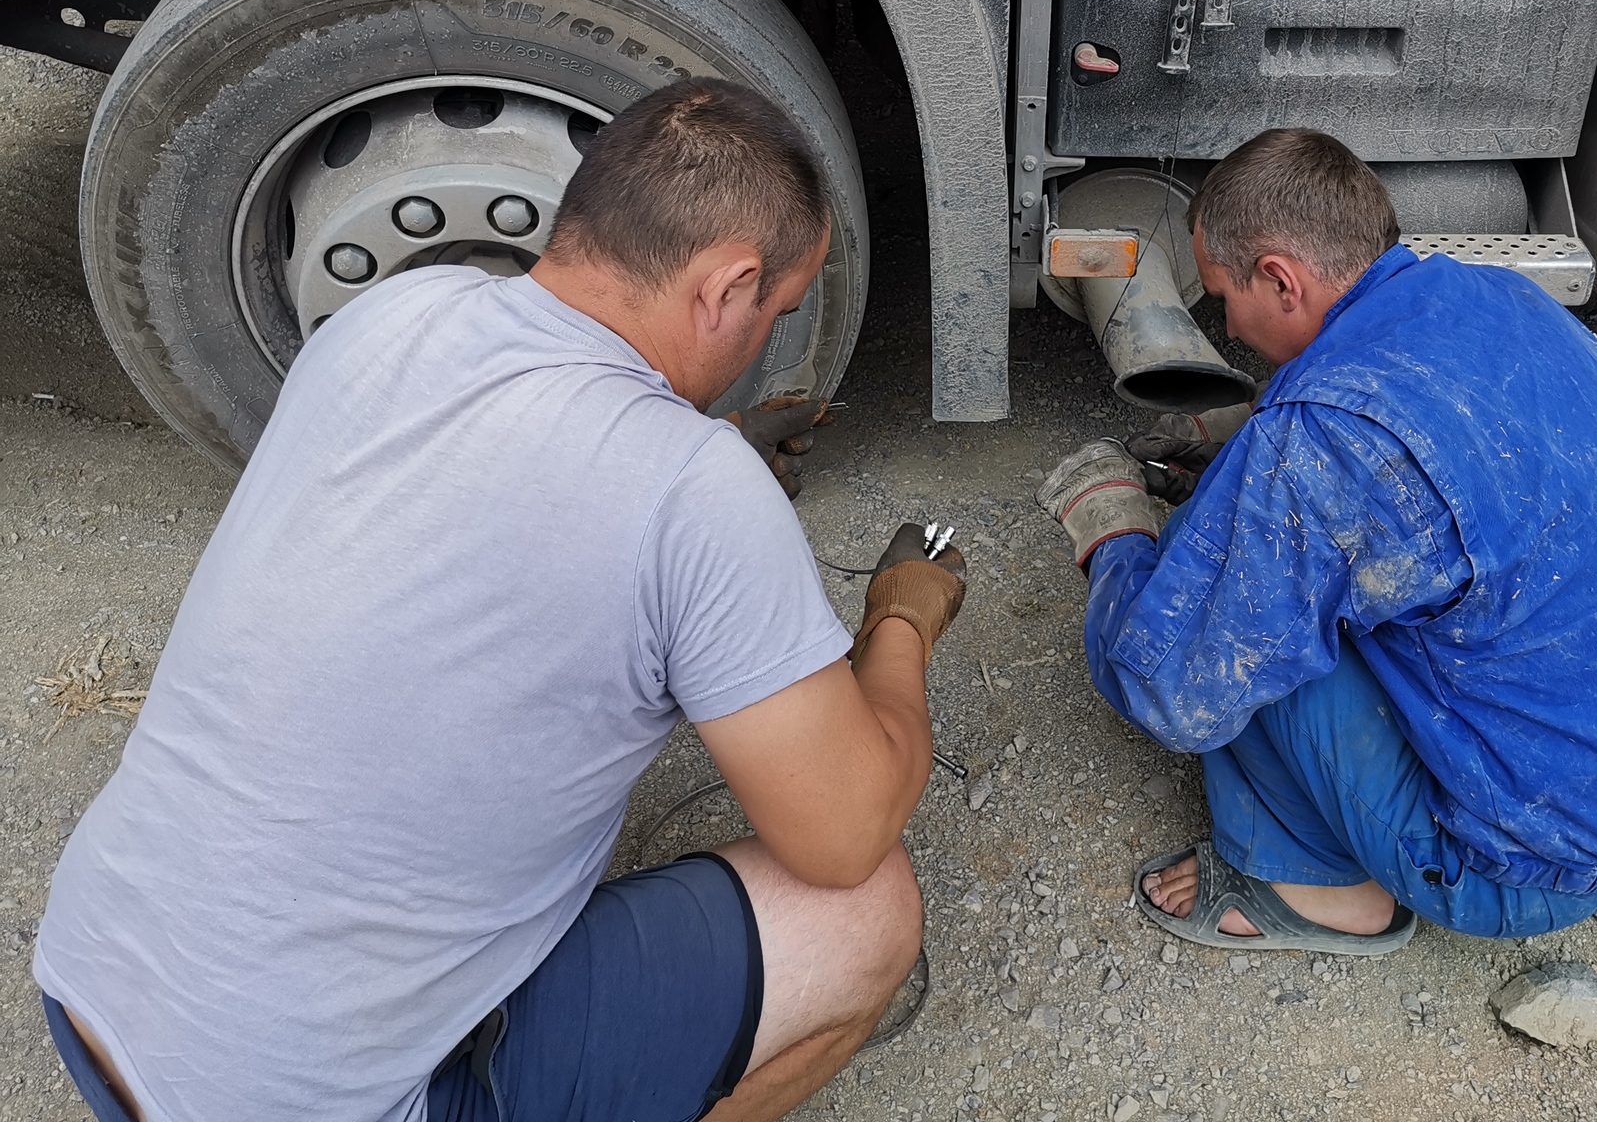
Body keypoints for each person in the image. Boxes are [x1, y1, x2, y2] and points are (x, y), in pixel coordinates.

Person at [36, 78, 967, 1122]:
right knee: (867, 915)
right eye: (777, 311)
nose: (764, 345)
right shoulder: (694, 490)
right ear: (727, 285)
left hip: (93, 989)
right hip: (304, 1104)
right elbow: (840, 834)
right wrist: (900, 618)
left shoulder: (391, 315)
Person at [1036, 128, 1597, 954]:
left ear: (1280, 279)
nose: (1222, 322)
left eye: (1224, 296)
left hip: (1520, 871)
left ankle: (1322, 893)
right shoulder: (1499, 299)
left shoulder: (1327, 444)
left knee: (1223, 581)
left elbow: (1175, 692)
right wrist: (1259, 447)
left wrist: (1112, 532)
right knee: (1267, 530)